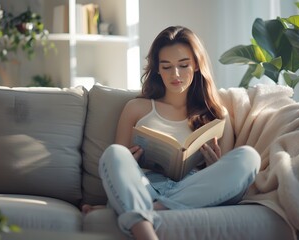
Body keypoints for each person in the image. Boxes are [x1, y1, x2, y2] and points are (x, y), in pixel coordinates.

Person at [82, 26, 261, 240]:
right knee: (114, 154)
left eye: (183, 65)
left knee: (249, 157)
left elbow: (226, 177)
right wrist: (131, 161)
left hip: (193, 190)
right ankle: (146, 230)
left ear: (196, 65)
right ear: (157, 69)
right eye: (166, 67)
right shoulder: (136, 108)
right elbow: (119, 167)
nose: (175, 75)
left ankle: (148, 212)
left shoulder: (217, 114)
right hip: (145, 187)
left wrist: (214, 166)